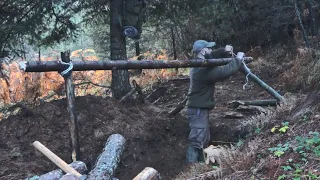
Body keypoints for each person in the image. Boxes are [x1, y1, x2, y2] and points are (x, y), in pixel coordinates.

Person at [185, 40, 244, 164]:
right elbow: (223, 72)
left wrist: (223, 50)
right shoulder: (201, 70)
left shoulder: (200, 64)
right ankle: (190, 169)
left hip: (199, 110)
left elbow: (211, 58)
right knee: (197, 141)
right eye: (209, 48)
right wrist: (238, 60)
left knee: (203, 140)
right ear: (203, 51)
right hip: (198, 111)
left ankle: (199, 166)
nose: (211, 50)